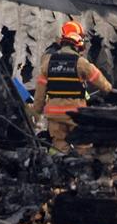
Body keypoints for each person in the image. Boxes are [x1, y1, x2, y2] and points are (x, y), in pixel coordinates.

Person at [32, 21, 112, 151]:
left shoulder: (48, 63)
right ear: (78, 44)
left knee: (59, 146)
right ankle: (82, 168)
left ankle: (62, 168)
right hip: (75, 113)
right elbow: (102, 83)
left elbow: (40, 93)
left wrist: (37, 111)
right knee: (83, 145)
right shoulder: (81, 63)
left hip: (54, 113)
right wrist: (110, 91)